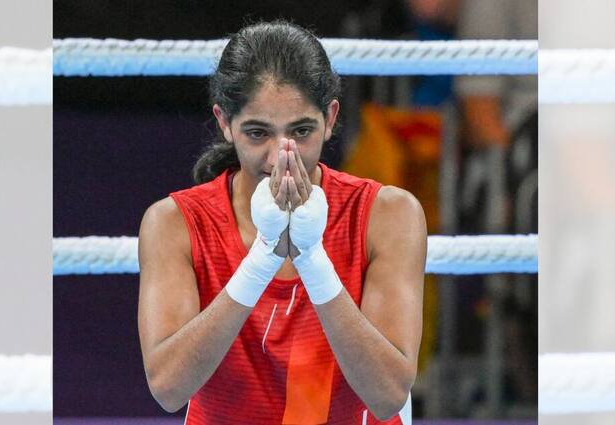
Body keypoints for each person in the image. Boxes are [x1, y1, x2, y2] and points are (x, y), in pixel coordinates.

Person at [137, 20, 427, 424]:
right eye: (258, 134)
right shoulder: (175, 224)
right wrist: (263, 258)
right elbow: (168, 388)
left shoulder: (388, 215)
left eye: (301, 131)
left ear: (330, 118)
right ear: (224, 122)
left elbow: (387, 396)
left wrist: (312, 259)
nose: (279, 158)